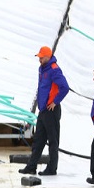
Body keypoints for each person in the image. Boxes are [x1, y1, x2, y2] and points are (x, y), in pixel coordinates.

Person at [19, 46, 70, 176]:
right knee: (38, 139)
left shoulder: (54, 70)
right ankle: (31, 166)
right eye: (39, 57)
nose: (39, 59)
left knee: (53, 140)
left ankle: (52, 168)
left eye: (41, 57)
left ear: (48, 57)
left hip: (51, 110)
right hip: (43, 110)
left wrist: (55, 101)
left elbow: (64, 87)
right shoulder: (42, 69)